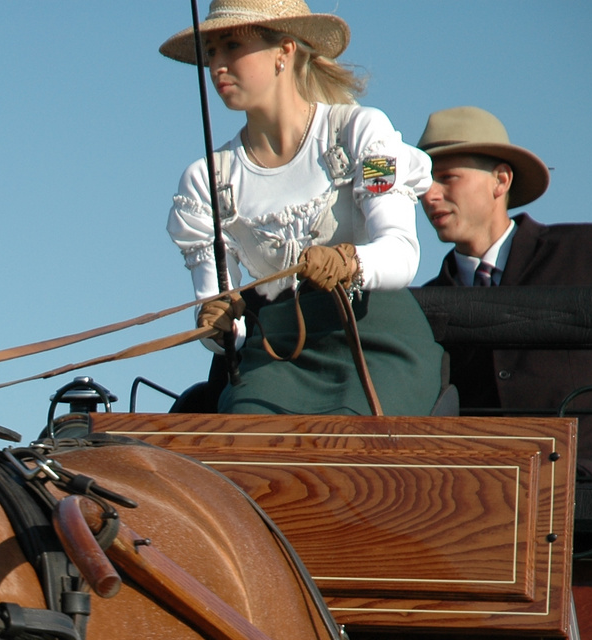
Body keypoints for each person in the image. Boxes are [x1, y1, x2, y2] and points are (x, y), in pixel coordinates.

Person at [163, 0, 444, 417]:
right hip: (277, 352)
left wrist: (348, 261)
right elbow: (224, 329)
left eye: (232, 46)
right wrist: (219, 320)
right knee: (244, 433)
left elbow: (402, 254)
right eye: (211, 53)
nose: (217, 66)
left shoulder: (361, 132)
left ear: (285, 50)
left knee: (343, 441)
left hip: (377, 341)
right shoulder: (207, 179)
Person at [418, 106, 592, 478]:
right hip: (484, 510)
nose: (429, 195)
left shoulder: (591, 251)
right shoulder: (423, 302)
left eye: (446, 177)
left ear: (500, 180)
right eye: (421, 182)